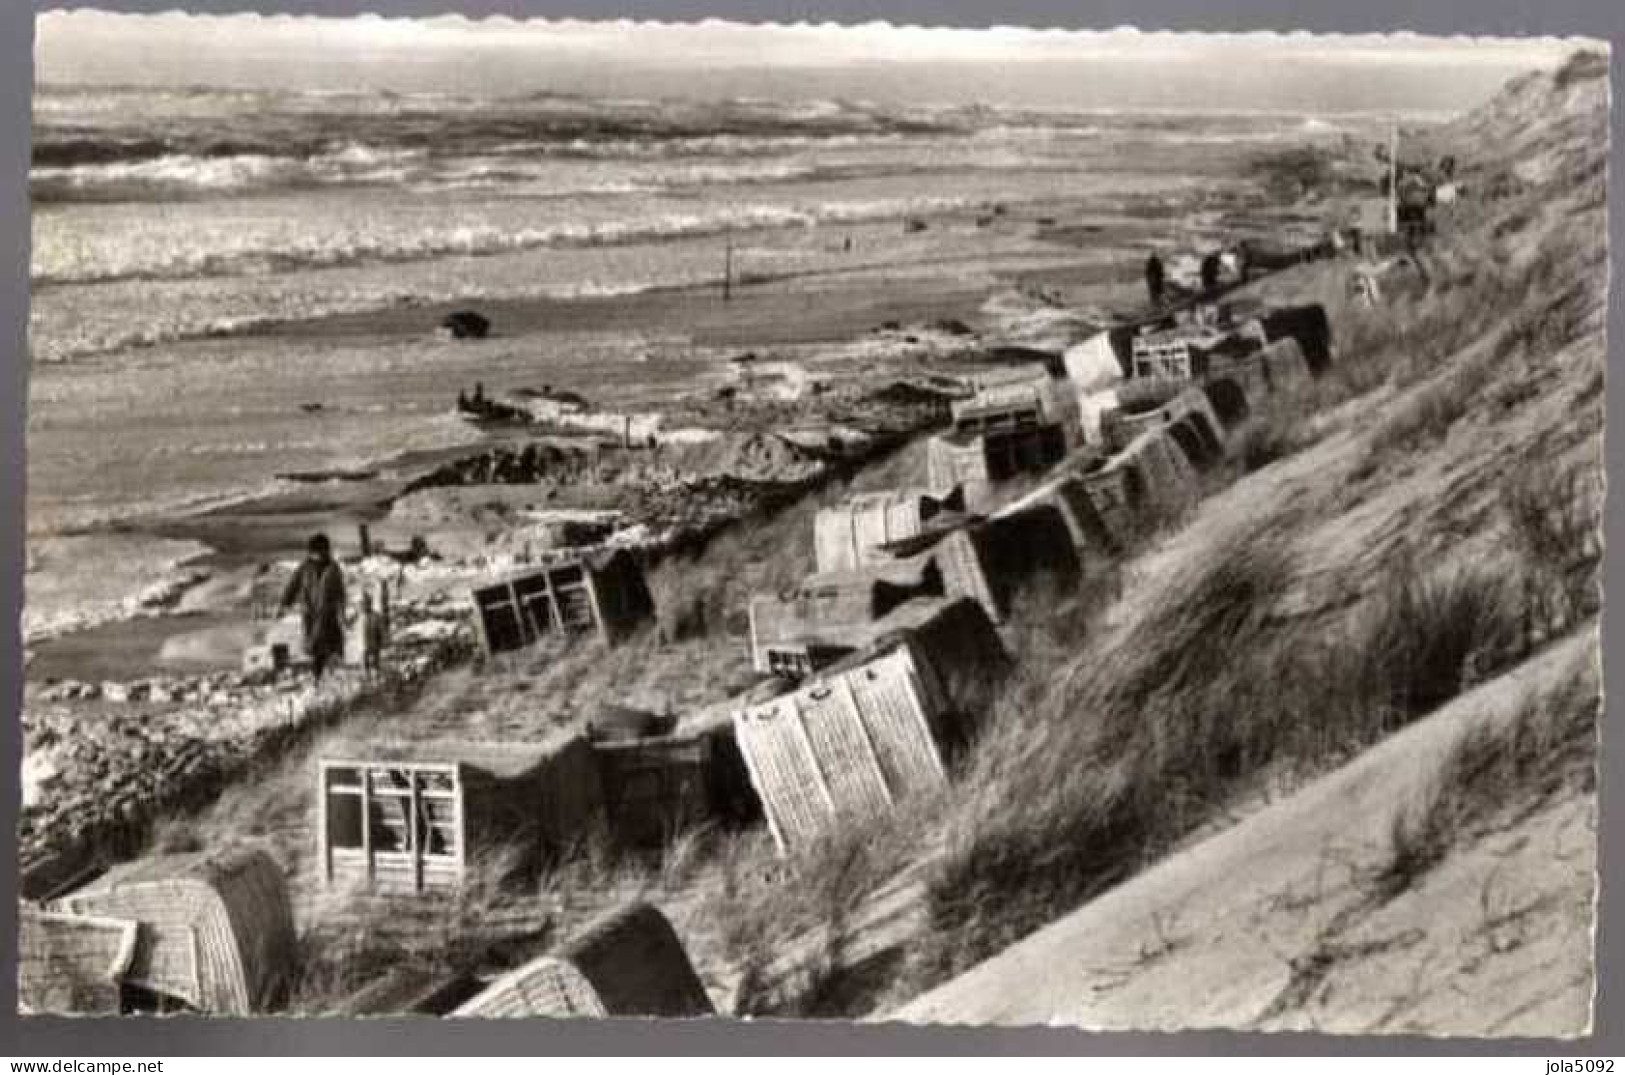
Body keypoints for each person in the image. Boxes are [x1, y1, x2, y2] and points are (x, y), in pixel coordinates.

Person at [279, 533, 346, 684]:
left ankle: (330, 676)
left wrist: (342, 612)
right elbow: (292, 586)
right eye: (317, 553)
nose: (320, 556)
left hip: (328, 614)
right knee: (315, 647)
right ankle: (318, 677)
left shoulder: (333, 569)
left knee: (330, 645)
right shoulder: (304, 568)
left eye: (323, 552)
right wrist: (285, 604)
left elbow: (340, 592)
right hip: (310, 614)